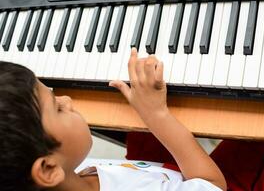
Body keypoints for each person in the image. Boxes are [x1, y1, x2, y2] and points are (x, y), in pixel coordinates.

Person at [0, 48, 226, 191]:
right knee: (253, 141)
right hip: (204, 178)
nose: (67, 99)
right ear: (48, 169)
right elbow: (212, 184)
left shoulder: (66, 171)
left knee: (138, 131)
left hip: (143, 170)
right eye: (57, 107)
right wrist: (157, 115)